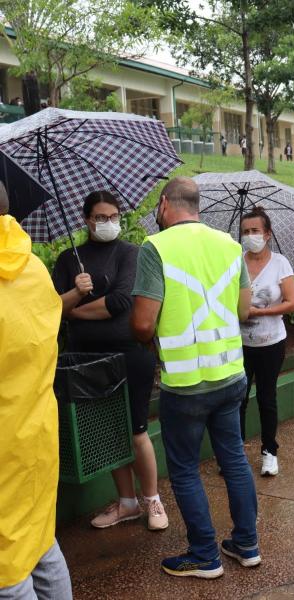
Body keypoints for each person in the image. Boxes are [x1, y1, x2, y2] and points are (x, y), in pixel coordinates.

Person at [130, 177, 259, 579]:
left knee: (185, 469)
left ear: (166, 204)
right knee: (234, 458)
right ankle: (246, 544)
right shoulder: (230, 245)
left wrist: (152, 338)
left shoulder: (156, 248)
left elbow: (142, 323)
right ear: (197, 205)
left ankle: (205, 556)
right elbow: (243, 310)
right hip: (230, 374)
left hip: (185, 385)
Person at [52, 191, 167, 531]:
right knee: (107, 433)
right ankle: (127, 502)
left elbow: (118, 303)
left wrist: (74, 312)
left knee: (135, 431)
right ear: (86, 220)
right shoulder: (67, 260)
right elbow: (51, 309)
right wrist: (74, 294)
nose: (108, 223)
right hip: (86, 359)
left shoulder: (131, 253)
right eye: (100, 218)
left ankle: (152, 499)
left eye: (113, 216)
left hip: (130, 353)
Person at [0, 186, 73, 599]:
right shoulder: (31, 268)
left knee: (7, 572)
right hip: (38, 435)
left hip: (4, 443)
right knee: (41, 543)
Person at [239, 207, 294, 476]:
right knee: (237, 398)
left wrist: (259, 312)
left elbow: (292, 303)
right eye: (245, 232)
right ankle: (235, 452)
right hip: (239, 342)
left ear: (267, 234)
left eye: (255, 231)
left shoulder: (280, 263)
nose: (250, 236)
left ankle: (269, 451)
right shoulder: (236, 261)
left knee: (266, 397)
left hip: (270, 342)